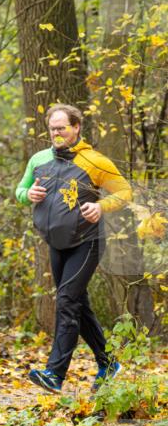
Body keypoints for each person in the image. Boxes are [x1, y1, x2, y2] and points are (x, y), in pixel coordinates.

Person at [15, 103, 132, 393]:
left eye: (62, 128)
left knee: (66, 300)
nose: (56, 133)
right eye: (52, 128)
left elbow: (124, 192)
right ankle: (109, 362)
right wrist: (27, 194)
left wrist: (101, 205)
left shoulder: (94, 161)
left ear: (76, 127)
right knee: (77, 304)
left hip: (86, 242)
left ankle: (55, 374)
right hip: (56, 243)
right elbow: (19, 191)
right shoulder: (39, 159)